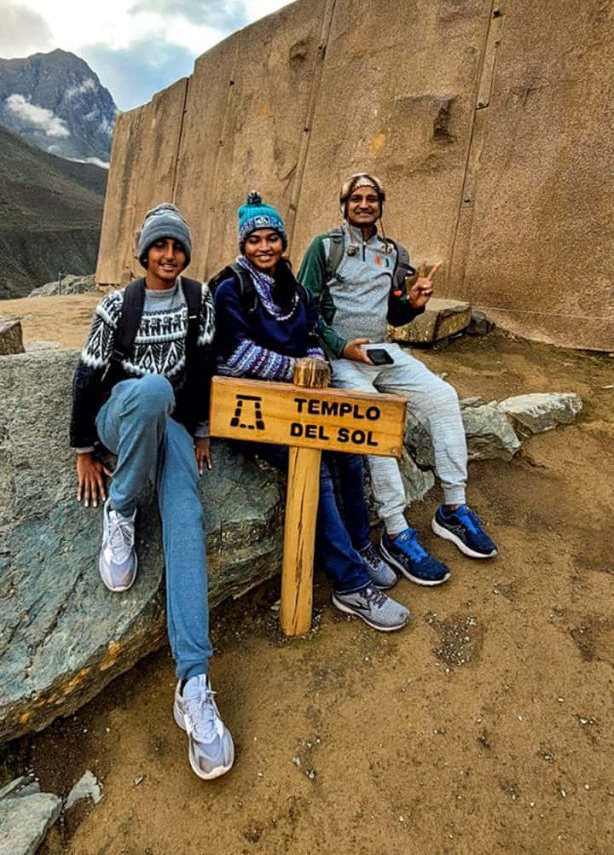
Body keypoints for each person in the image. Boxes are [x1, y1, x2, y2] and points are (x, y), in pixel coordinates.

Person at [70, 202, 234, 781]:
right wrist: (85, 448)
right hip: (124, 412)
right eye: (159, 247)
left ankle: (193, 682)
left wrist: (203, 431)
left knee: (186, 520)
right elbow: (89, 376)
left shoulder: (199, 302)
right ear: (143, 252)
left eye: (177, 247)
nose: (168, 256)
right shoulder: (119, 305)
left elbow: (207, 364)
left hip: (170, 426)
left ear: (186, 253)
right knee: (152, 391)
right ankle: (120, 511)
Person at [212, 191, 410, 632]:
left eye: (272, 239)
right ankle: (351, 584)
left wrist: (315, 361)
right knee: (313, 465)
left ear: (283, 242)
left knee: (348, 449)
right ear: (243, 246)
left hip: (299, 400)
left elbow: (311, 337)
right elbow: (235, 355)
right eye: (255, 240)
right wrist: (297, 370)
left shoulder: (293, 288)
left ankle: (360, 545)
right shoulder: (231, 289)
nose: (264, 248)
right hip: (254, 410)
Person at [298, 173, 497, 586]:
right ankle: (395, 530)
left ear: (381, 205)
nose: (365, 204)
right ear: (345, 204)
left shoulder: (393, 252)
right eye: (357, 198)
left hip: (383, 351)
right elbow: (306, 307)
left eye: (372, 198)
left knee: (443, 397)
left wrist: (414, 304)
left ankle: (453, 510)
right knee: (377, 418)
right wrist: (340, 345)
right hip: (342, 357)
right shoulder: (325, 247)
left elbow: (394, 314)